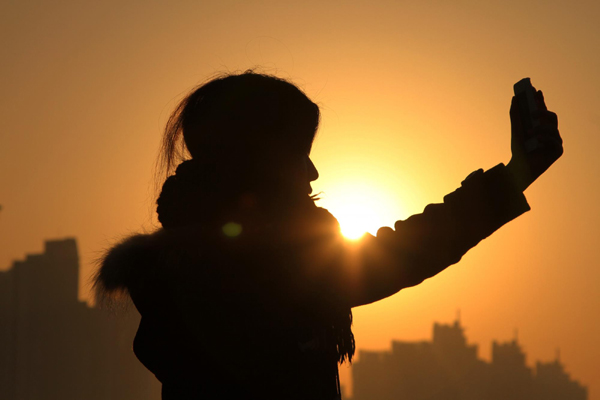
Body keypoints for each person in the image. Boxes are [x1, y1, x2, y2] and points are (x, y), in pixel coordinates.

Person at [92, 71, 563, 400]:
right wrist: (513, 177)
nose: (313, 172)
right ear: (260, 164)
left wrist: (514, 178)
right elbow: (403, 253)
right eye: (299, 155)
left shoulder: (194, 266)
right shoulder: (249, 270)